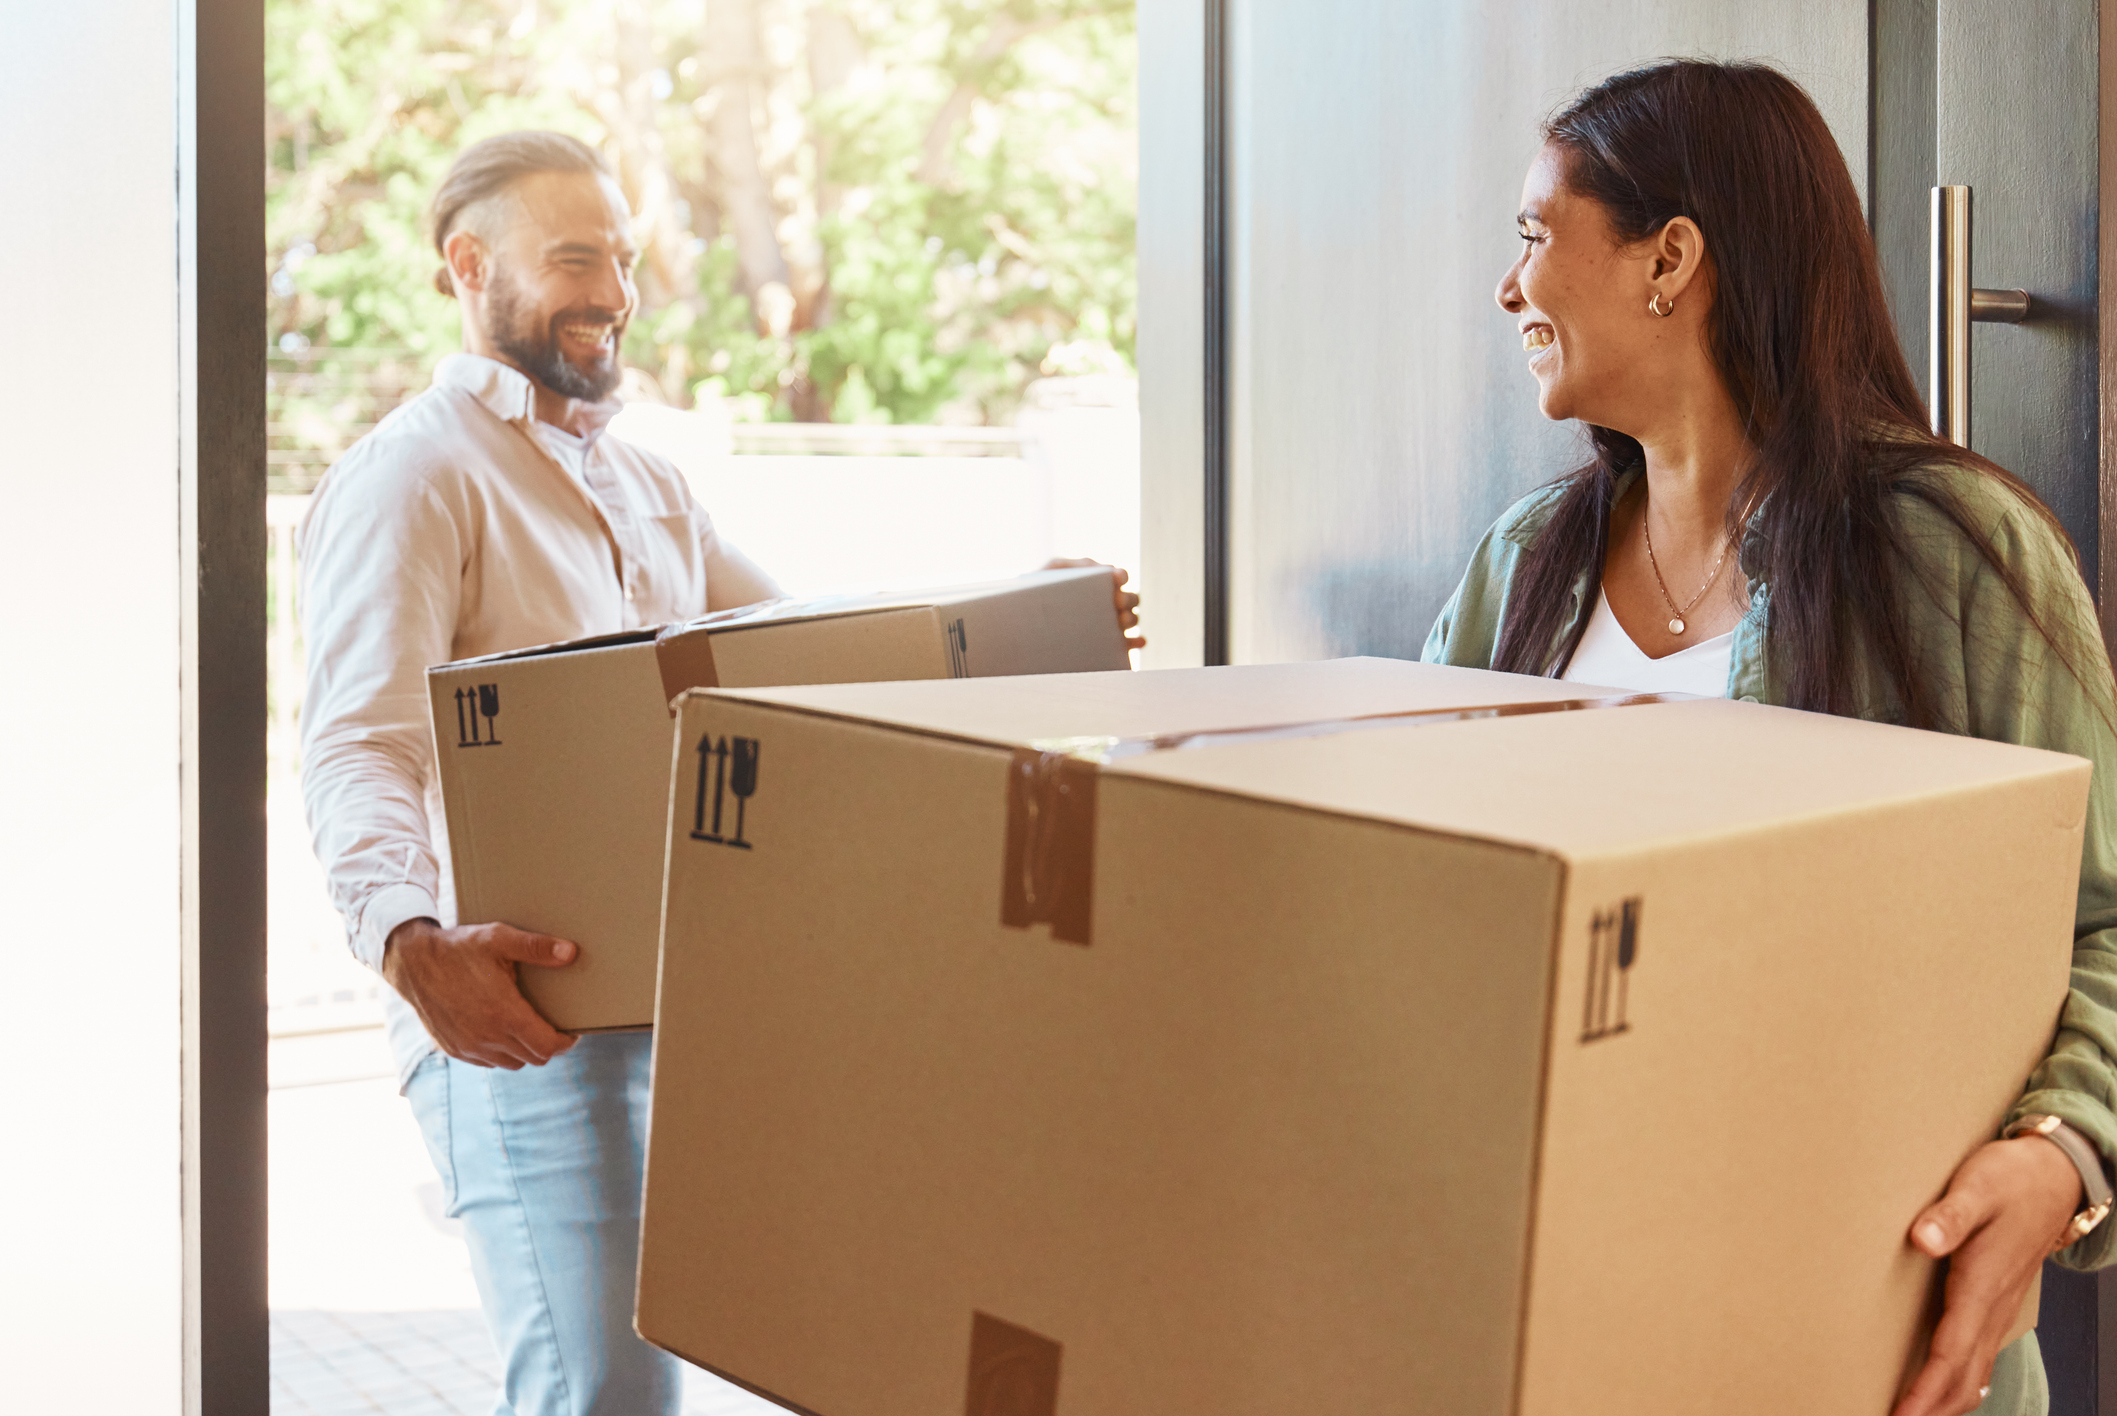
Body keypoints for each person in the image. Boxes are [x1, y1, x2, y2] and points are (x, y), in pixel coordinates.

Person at [299, 130, 1142, 1416]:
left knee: (659, 1385)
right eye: (575, 256)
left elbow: (816, 646)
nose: (615, 292)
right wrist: (408, 942)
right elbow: (358, 739)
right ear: (468, 266)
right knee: (601, 1394)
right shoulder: (419, 476)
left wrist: (1017, 608)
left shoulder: (641, 484)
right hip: (521, 1021)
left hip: (674, 1006)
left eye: (624, 259)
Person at [1421, 61, 2117, 1416]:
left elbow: (2105, 918)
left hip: (1856, 1321)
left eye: (1532, 238)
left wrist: (2060, 1155)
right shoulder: (1518, 567)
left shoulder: (1954, 554)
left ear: (1668, 258)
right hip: (1559, 1308)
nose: (1510, 292)